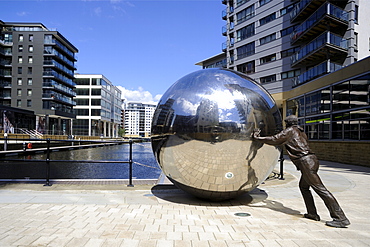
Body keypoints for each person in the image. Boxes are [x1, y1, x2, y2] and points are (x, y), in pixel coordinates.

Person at [252, 115, 350, 228]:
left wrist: (257, 138)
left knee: (321, 189)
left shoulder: (289, 131)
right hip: (312, 160)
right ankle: (312, 213)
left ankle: (340, 217)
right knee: (303, 187)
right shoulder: (300, 131)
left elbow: (274, 140)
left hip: (305, 162)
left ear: (287, 123)